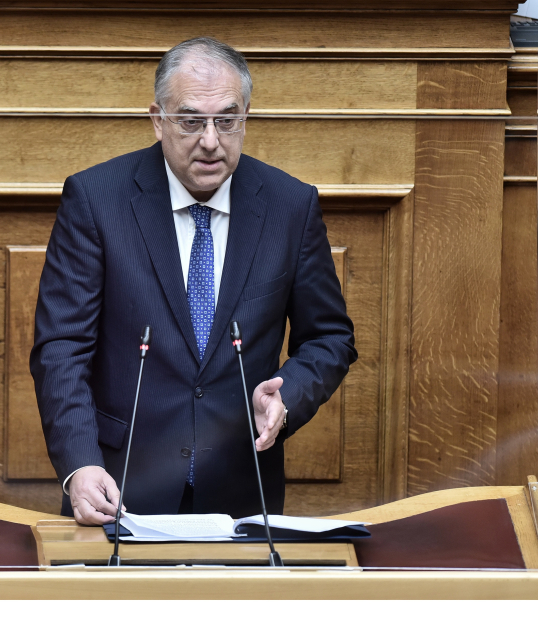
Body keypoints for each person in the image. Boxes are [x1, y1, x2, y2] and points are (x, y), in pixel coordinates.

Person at [30, 37, 356, 525]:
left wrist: (288, 395)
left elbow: (330, 338)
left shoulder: (290, 206)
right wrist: (80, 463)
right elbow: (61, 347)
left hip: (242, 490)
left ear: (245, 118)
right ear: (158, 119)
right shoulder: (96, 200)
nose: (210, 140)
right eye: (190, 121)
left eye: (227, 120)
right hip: (118, 489)